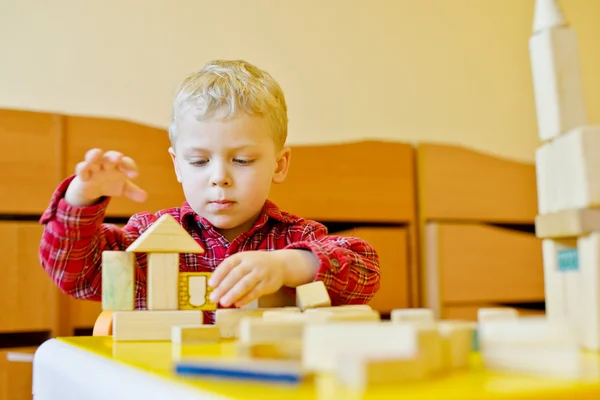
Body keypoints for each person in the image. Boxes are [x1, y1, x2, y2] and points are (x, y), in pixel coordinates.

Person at [38, 60, 381, 323]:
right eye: (199, 161)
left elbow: (365, 273)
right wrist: (81, 198)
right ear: (177, 165)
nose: (220, 178)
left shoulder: (294, 238)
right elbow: (75, 272)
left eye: (243, 160)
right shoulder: (147, 236)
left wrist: (291, 264)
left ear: (279, 165)